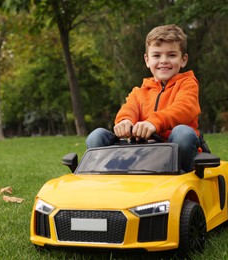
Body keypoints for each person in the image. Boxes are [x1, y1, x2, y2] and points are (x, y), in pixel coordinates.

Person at [86, 24, 201, 172]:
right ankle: (102, 176)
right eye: (157, 55)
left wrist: (154, 123)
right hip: (140, 156)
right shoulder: (139, 92)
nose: (164, 60)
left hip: (173, 153)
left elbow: (185, 108)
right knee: (96, 136)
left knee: (183, 133)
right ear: (147, 60)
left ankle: (182, 174)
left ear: (183, 60)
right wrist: (125, 121)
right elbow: (129, 109)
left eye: (171, 55)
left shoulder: (188, 84)